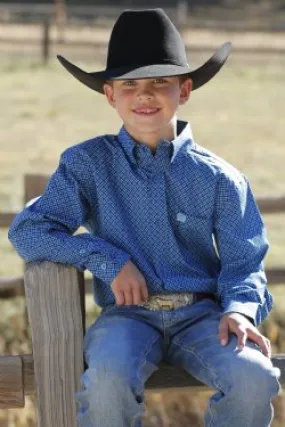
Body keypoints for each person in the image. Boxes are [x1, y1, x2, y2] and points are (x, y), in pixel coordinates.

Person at [8, 8, 281, 427]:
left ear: (185, 90)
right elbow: (29, 230)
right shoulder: (87, 164)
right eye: (130, 84)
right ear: (110, 95)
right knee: (106, 379)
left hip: (205, 318)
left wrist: (240, 311)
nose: (145, 95)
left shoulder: (221, 178)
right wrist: (108, 261)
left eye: (160, 82)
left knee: (255, 376)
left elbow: (245, 264)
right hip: (127, 318)